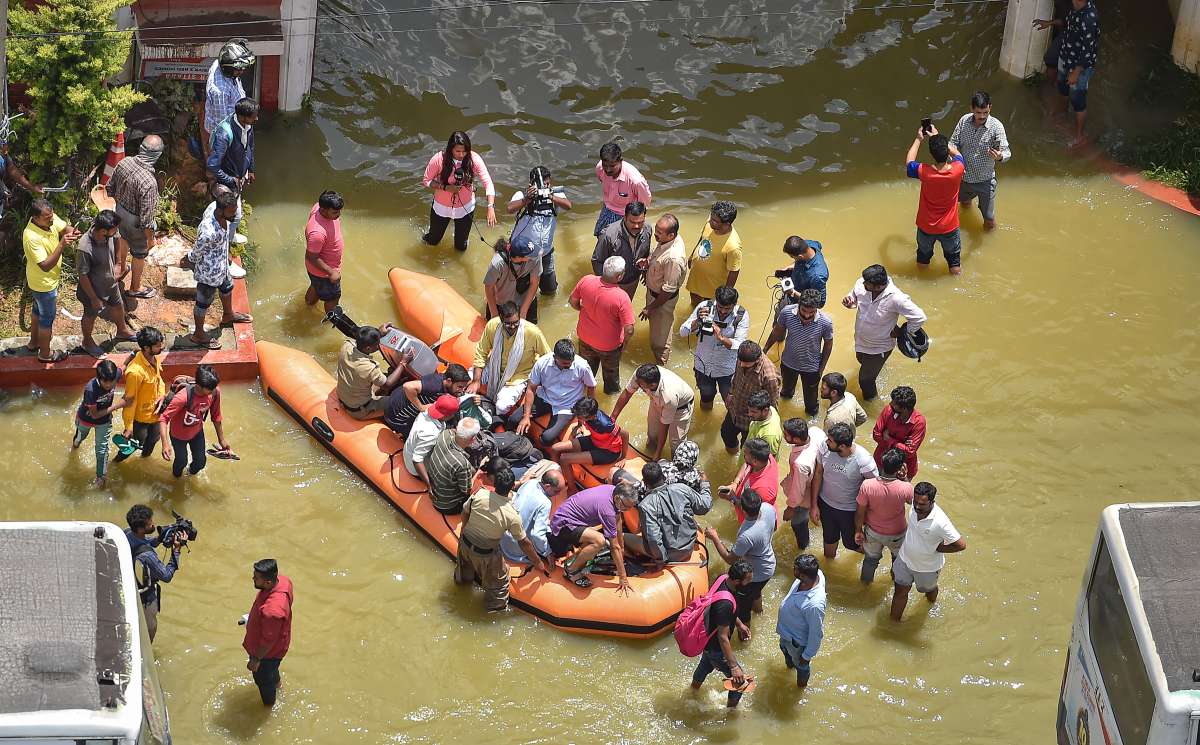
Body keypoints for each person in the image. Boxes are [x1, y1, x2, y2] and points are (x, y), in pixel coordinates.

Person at [454, 461, 549, 611]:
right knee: (499, 586)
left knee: (463, 572)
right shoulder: (511, 515)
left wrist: (463, 531)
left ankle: (460, 590)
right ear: (512, 487)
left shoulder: (479, 494)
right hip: (486, 554)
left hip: (465, 544)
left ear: (495, 484)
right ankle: (493, 612)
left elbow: (465, 512)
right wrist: (538, 563)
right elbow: (524, 542)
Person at [842, 264, 927, 401]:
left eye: (867, 283)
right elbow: (854, 294)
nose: (862, 283)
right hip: (860, 340)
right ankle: (878, 368)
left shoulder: (896, 298)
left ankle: (871, 404)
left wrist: (903, 331)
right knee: (861, 361)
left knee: (865, 381)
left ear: (878, 286)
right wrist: (850, 300)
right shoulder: (862, 283)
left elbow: (919, 317)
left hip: (880, 346)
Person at [705, 489, 776, 639]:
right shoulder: (768, 509)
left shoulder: (747, 535)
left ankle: (745, 638)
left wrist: (715, 537)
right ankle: (760, 612)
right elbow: (774, 527)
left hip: (754, 575)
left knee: (743, 609)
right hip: (768, 566)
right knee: (755, 592)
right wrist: (733, 499)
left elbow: (730, 559)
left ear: (743, 509)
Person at [890, 482, 966, 621]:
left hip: (927, 568)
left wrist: (939, 548)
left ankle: (931, 603)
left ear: (932, 502)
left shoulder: (940, 522)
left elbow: (961, 545)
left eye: (922, 504)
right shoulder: (914, 506)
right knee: (900, 592)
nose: (917, 507)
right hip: (905, 559)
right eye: (916, 502)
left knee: (928, 590)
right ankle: (893, 625)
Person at [187, 190, 252, 348]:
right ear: (221, 210)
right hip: (208, 273)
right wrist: (189, 261)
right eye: (231, 212)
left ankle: (228, 315)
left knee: (227, 287)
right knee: (203, 303)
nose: (235, 214)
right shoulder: (208, 232)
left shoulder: (217, 210)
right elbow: (196, 252)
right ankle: (198, 334)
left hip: (222, 266)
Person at [548, 482, 639, 591]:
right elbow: (614, 546)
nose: (628, 510)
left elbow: (618, 519)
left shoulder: (613, 490)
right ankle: (571, 570)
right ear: (618, 499)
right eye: (627, 506)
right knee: (600, 541)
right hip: (564, 525)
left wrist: (622, 548)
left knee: (599, 540)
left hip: (572, 517)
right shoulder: (607, 510)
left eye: (631, 507)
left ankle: (580, 558)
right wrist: (623, 578)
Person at [22, 198, 80, 363]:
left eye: (52, 215)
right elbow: (46, 265)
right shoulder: (31, 236)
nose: (52, 220)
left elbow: (63, 227)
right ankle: (45, 354)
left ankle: (34, 343)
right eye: (47, 218)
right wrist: (62, 244)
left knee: (37, 311)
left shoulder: (50, 218)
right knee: (47, 318)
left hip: (42, 282)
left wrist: (71, 231)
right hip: (43, 284)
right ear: (35, 217)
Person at [690, 559, 754, 708]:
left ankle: (692, 692)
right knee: (740, 683)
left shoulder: (722, 579)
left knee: (705, 665)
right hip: (716, 647)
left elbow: (724, 616)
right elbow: (723, 636)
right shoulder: (725, 604)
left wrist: (739, 625)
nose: (750, 584)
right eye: (748, 581)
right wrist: (734, 667)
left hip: (707, 640)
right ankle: (731, 712)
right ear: (737, 581)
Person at [469, 301, 550, 418]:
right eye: (508, 324)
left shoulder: (533, 332)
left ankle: (495, 418)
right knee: (467, 378)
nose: (512, 327)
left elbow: (547, 358)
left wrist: (538, 381)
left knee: (502, 406)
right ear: (501, 319)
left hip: (518, 376)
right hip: (494, 367)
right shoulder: (493, 325)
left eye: (516, 323)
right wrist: (476, 381)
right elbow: (481, 353)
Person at [106, 135, 163, 299]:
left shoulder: (124, 162)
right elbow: (146, 220)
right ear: (157, 156)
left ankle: (122, 267)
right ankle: (135, 287)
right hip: (135, 222)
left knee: (122, 238)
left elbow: (110, 188)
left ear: (141, 148)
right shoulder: (149, 183)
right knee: (139, 254)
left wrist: (120, 205)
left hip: (119, 212)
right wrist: (150, 240)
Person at [1036, 0, 1099, 147]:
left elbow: (1088, 52)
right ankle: (1062, 115)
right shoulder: (1075, 8)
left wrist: (1076, 72)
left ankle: (1079, 136)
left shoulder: (1090, 17)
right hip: (1065, 56)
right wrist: (1049, 23)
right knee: (1062, 89)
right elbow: (1067, 22)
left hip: (1079, 67)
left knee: (1078, 101)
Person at [568, 256, 635, 394]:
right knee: (611, 381)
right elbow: (629, 329)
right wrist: (625, 345)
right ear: (620, 276)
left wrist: (584, 310)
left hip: (585, 338)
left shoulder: (586, 280)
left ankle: (583, 397)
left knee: (585, 373)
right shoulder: (622, 297)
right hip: (609, 347)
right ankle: (609, 400)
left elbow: (573, 301)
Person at [421, 130, 496, 252]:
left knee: (461, 247)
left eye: (464, 151)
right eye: (458, 151)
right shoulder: (439, 159)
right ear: (451, 149)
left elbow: (488, 182)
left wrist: (490, 206)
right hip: (441, 207)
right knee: (433, 241)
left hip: (465, 209)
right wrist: (445, 187)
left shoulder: (474, 159)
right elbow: (426, 180)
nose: (461, 155)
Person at [812, 422, 879, 558]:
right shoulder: (824, 448)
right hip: (826, 505)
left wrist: (867, 516)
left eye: (830, 441)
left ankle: (874, 555)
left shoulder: (864, 461)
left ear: (842, 446)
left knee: (852, 544)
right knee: (829, 540)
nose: (826, 442)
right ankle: (829, 570)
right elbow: (818, 473)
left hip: (850, 511)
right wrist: (814, 505)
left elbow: (874, 489)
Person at [514, 338, 596, 448]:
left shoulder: (582, 366)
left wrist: (584, 416)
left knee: (547, 438)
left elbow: (591, 386)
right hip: (545, 397)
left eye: (571, 362)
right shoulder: (542, 363)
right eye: (565, 363)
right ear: (554, 358)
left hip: (567, 406)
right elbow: (531, 389)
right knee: (513, 420)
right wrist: (526, 416)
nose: (569, 365)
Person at [75, 209, 135, 358]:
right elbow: (82, 276)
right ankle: (87, 342)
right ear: (102, 231)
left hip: (110, 282)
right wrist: (94, 298)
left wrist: (118, 262)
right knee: (90, 315)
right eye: (114, 230)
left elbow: (117, 239)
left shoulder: (110, 233)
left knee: (118, 305)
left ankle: (122, 331)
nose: (116, 231)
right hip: (92, 289)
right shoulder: (85, 247)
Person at [626, 461, 712, 565]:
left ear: (645, 482)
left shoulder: (645, 506)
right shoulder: (682, 488)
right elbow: (705, 506)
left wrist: (661, 560)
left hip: (670, 555)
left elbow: (653, 538)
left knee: (621, 537)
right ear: (663, 476)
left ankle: (632, 562)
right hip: (690, 545)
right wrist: (705, 484)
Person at [905, 127, 965, 274]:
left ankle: (922, 281)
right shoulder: (958, 169)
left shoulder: (924, 171)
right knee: (954, 262)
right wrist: (938, 137)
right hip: (949, 227)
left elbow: (909, 162)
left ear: (931, 154)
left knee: (923, 259)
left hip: (926, 226)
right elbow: (957, 154)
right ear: (946, 152)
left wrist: (919, 138)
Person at [678, 286, 749, 410]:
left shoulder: (741, 315)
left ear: (734, 304)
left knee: (731, 402)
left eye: (727, 309)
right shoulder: (704, 307)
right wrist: (698, 320)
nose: (722, 311)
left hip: (727, 369)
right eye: (720, 307)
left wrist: (721, 337)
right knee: (706, 396)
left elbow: (740, 345)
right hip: (703, 366)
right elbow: (683, 332)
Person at [766, 289, 834, 418]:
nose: (807, 316)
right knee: (785, 393)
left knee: (811, 404)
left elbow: (828, 344)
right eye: (804, 311)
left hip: (811, 368)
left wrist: (821, 369)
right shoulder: (786, 313)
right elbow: (777, 331)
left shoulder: (826, 322)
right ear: (799, 305)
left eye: (812, 312)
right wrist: (764, 351)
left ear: (817, 309)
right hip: (788, 362)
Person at [949, 91, 1011, 231]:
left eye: (985, 112)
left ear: (990, 107)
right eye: (978, 112)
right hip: (963, 177)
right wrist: (954, 162)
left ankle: (991, 244)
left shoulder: (996, 127)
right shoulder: (964, 121)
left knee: (989, 220)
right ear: (971, 109)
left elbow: (1007, 152)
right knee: (964, 204)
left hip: (985, 180)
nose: (982, 116)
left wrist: (1000, 156)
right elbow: (952, 144)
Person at [507, 166, 571, 294]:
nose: (544, 186)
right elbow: (509, 209)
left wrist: (550, 196)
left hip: (545, 252)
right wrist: (528, 199)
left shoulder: (555, 195)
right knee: (520, 290)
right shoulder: (521, 195)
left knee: (550, 290)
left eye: (547, 183)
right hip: (523, 253)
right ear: (531, 183)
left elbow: (568, 206)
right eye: (541, 184)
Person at [610, 363, 695, 461]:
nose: (637, 383)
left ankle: (676, 465)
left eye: (641, 384)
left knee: (676, 445)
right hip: (657, 400)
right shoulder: (640, 374)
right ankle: (649, 457)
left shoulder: (668, 396)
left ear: (652, 385)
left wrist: (658, 453)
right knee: (652, 435)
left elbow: (664, 425)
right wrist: (612, 418)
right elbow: (627, 393)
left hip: (681, 408)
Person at [159, 364, 230, 478]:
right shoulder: (183, 397)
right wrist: (165, 444)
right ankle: (175, 480)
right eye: (210, 389)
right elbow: (163, 418)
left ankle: (189, 475)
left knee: (200, 463)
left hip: (197, 433)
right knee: (181, 461)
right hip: (178, 436)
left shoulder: (215, 391)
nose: (213, 391)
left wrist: (222, 440)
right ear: (199, 386)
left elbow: (216, 416)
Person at [124, 504, 183, 641]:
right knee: (150, 629)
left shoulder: (126, 533)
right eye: (150, 524)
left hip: (130, 587)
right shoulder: (148, 556)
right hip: (145, 599)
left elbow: (144, 542)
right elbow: (167, 576)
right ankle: (146, 654)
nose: (153, 524)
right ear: (140, 528)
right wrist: (176, 550)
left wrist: (159, 539)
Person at [856, 448, 914, 584]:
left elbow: (860, 511)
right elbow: (913, 502)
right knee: (898, 562)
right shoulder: (905, 487)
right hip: (897, 534)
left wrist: (858, 530)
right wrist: (905, 478)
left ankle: (864, 586)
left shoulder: (867, 485)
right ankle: (895, 584)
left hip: (873, 532)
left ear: (881, 464)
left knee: (870, 561)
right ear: (900, 468)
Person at [243, 558, 294, 706]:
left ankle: (269, 705)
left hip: (267, 654)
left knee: (264, 680)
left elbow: (268, 641)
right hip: (279, 644)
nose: (253, 578)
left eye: (256, 577)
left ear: (268, 583)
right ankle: (278, 685)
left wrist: (256, 660)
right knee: (272, 671)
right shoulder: (284, 581)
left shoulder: (272, 611)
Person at [640, 213, 688, 364]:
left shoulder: (674, 259)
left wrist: (651, 307)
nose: (655, 234)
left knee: (661, 340)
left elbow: (668, 291)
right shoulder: (669, 240)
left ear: (671, 235)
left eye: (659, 233)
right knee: (656, 330)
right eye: (656, 230)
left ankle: (661, 366)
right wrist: (648, 263)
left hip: (662, 300)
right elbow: (658, 255)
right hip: (655, 294)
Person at [207, 97, 258, 235]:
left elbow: (250, 148)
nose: (256, 119)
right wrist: (230, 180)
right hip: (225, 182)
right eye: (253, 117)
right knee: (231, 217)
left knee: (235, 216)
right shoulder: (224, 134)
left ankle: (229, 238)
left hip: (238, 177)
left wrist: (251, 169)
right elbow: (212, 165)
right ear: (242, 116)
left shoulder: (248, 127)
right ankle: (225, 243)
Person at [115, 327, 167, 461]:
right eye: (157, 346)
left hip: (156, 414)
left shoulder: (154, 357)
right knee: (131, 448)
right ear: (146, 348)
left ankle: (144, 461)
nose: (161, 347)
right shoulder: (135, 372)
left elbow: (159, 379)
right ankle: (114, 464)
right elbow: (129, 401)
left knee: (152, 442)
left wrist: (162, 394)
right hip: (141, 420)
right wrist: (128, 427)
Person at [336, 325, 410, 420]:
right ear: (368, 349)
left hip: (345, 397)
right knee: (403, 401)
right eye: (377, 344)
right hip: (360, 409)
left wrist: (378, 334)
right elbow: (387, 384)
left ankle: (380, 394)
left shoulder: (346, 346)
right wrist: (403, 362)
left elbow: (358, 339)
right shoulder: (369, 368)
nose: (378, 345)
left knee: (386, 376)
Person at [72, 360, 126, 488]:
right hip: (86, 419)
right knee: (79, 438)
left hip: (104, 422)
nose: (108, 385)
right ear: (98, 378)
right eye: (105, 382)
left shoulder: (114, 375)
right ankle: (74, 447)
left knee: (102, 450)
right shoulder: (91, 390)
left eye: (111, 382)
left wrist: (133, 354)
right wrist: (118, 405)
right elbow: (95, 415)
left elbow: (123, 366)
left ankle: (101, 477)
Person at [776, 554, 826, 689]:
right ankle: (790, 668)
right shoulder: (817, 574)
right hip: (786, 636)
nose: (793, 569)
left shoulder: (814, 604)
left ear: (803, 576)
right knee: (789, 659)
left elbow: (816, 633)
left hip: (797, 644)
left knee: (802, 667)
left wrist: (807, 655)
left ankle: (800, 688)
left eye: (795, 568)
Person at [722, 341, 781, 455]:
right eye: (741, 362)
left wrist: (764, 426)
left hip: (752, 420)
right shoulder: (742, 358)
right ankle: (733, 456)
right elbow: (736, 377)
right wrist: (730, 393)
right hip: (735, 409)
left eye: (746, 364)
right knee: (726, 434)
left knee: (748, 450)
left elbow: (772, 404)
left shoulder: (769, 377)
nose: (742, 365)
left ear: (757, 360)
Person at [499, 463, 564, 565]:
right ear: (547, 486)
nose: (559, 494)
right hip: (517, 547)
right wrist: (548, 553)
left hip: (503, 539)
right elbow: (537, 535)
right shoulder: (545, 503)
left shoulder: (531, 483)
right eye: (557, 491)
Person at [385, 363, 470, 437]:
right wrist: (420, 407)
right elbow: (408, 386)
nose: (462, 390)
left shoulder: (446, 383)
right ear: (449, 381)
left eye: (464, 387)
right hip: (398, 417)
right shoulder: (435, 385)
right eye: (459, 387)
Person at [685, 201, 742, 305]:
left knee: (706, 313)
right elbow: (702, 238)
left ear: (727, 223)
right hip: (697, 277)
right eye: (711, 217)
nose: (710, 221)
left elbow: (734, 271)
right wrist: (692, 255)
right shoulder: (710, 224)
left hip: (712, 287)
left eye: (715, 221)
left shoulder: (733, 246)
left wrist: (725, 296)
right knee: (694, 304)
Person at [591, 201, 650, 300]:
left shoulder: (647, 229)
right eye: (632, 222)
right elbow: (597, 261)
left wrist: (645, 270)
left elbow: (645, 252)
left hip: (633, 280)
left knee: (625, 307)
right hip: (614, 284)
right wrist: (608, 286)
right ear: (625, 217)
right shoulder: (608, 235)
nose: (636, 226)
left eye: (640, 222)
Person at [204, 39, 253, 156]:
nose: (242, 71)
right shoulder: (220, 92)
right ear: (228, 69)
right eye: (239, 69)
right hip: (222, 131)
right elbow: (222, 123)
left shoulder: (218, 65)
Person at [781, 417, 823, 551]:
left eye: (786, 435)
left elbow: (798, 492)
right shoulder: (816, 432)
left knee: (798, 523)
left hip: (805, 494)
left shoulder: (801, 464)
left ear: (797, 440)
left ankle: (803, 547)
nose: (783, 436)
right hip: (819, 483)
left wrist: (790, 509)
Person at [594, 141, 652, 236]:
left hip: (625, 215)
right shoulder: (600, 168)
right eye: (605, 166)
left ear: (620, 161)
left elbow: (644, 203)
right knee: (600, 235)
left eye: (612, 166)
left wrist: (634, 221)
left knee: (619, 244)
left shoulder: (635, 180)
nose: (608, 170)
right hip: (607, 207)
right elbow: (601, 179)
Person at [550, 396, 625, 468]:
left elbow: (625, 434)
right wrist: (578, 425)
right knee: (554, 448)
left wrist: (623, 457)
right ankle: (556, 473)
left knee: (564, 459)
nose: (577, 417)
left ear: (590, 416)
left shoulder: (605, 424)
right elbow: (580, 416)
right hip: (595, 441)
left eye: (579, 417)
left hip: (608, 452)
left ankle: (568, 481)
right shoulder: (586, 415)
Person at [426, 418, 482, 515]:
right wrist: (479, 470)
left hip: (435, 487)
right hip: (447, 506)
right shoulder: (462, 464)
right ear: (472, 439)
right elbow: (467, 490)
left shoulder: (445, 434)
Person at [400, 394, 459, 482]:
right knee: (448, 464)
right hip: (413, 465)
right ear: (449, 416)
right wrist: (428, 485)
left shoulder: (428, 409)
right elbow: (417, 460)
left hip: (410, 449)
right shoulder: (430, 433)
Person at [871, 385, 926, 479]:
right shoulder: (888, 410)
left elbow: (910, 452)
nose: (890, 404)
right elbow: (876, 435)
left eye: (894, 403)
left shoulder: (919, 422)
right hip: (881, 462)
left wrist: (890, 440)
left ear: (904, 409)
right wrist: (902, 444)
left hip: (903, 469)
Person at [721, 437, 779, 523]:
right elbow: (747, 465)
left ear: (755, 461)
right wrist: (736, 483)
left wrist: (732, 498)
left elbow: (752, 510)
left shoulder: (764, 489)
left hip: (752, 522)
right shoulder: (765, 457)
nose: (743, 456)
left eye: (745, 454)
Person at [483, 238, 542, 322]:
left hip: (525, 301)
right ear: (519, 257)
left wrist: (523, 312)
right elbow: (488, 288)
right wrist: (494, 314)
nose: (536, 254)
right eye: (530, 254)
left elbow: (534, 284)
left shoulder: (536, 257)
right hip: (502, 302)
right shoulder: (497, 264)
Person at [304, 190, 344, 312]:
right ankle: (330, 323)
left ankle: (307, 307)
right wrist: (331, 273)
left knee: (316, 286)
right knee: (332, 298)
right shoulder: (317, 233)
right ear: (324, 209)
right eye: (335, 212)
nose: (339, 214)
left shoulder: (318, 207)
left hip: (316, 272)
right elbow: (312, 256)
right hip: (324, 273)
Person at [776, 235, 829, 307]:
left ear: (800, 256)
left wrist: (793, 292)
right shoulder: (809, 244)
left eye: (793, 257)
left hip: (800, 308)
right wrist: (791, 266)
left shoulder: (817, 276)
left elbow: (819, 303)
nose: (793, 259)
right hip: (789, 294)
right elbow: (819, 244)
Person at [745, 391, 785, 458]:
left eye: (753, 412)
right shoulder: (771, 409)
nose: (749, 414)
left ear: (765, 410)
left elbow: (768, 460)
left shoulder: (769, 436)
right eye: (749, 410)